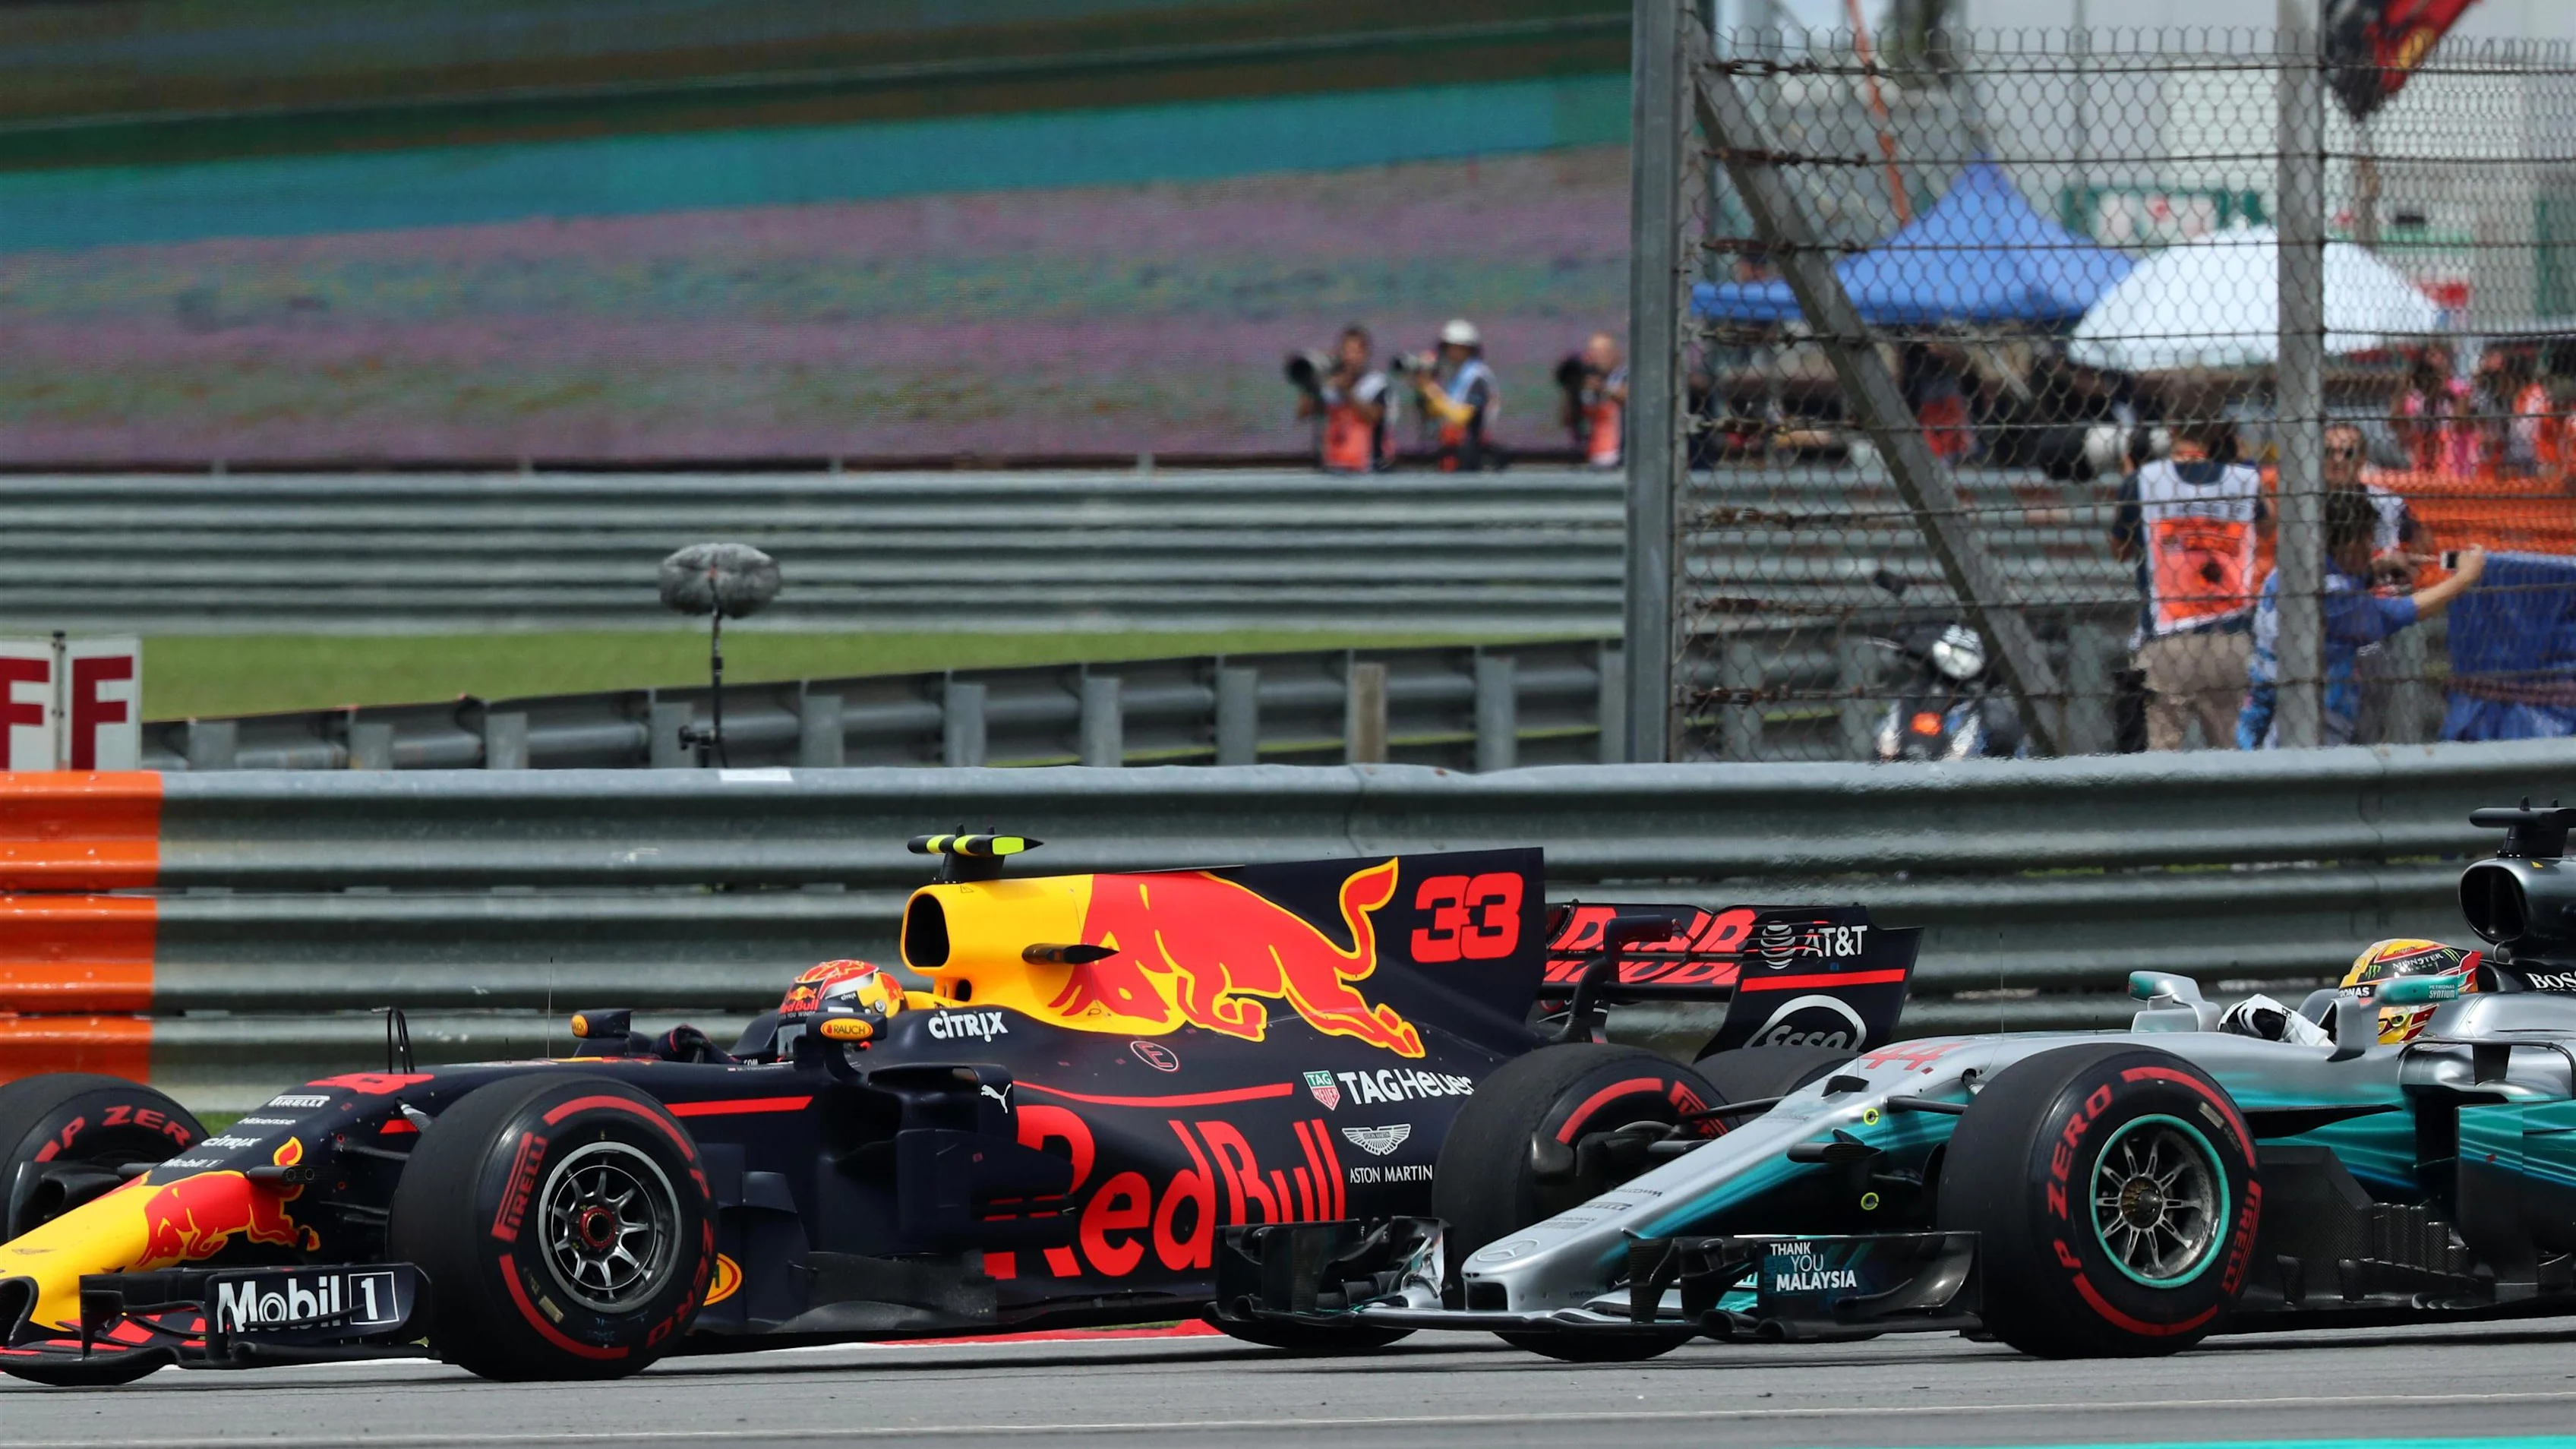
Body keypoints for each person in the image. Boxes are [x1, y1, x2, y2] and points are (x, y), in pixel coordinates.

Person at [2237, 491, 2486, 748]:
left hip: (2273, 706)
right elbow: (2396, 614)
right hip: (2304, 722)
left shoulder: (2292, 569)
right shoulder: (2335, 599)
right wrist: (2462, 580)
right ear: (2350, 545)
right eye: (2368, 541)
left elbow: (2338, 579)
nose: (2371, 550)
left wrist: (2377, 570)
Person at [2110, 412, 2267, 750]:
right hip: (2230, 633)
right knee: (2235, 757)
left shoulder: (2144, 480)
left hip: (2167, 636)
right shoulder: (2244, 480)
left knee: (2158, 758)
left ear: (2172, 429)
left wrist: (2130, 485)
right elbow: (2267, 528)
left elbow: (2120, 550)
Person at [1293, 325, 1393, 473]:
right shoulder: (1330, 387)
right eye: (1345, 351)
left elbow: (1373, 417)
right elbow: (1303, 413)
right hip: (1333, 466)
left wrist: (1347, 392)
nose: (1349, 357)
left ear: (1365, 354)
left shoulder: (1376, 383)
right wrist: (1311, 384)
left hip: (1367, 469)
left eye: (1354, 352)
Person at [1410, 318, 1501, 472]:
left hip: (1471, 455)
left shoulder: (1477, 377)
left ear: (1466, 348)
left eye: (1452, 347)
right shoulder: (1458, 377)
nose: (1447, 352)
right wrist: (1423, 390)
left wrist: (1431, 390)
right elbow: (1440, 412)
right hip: (1453, 453)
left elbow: (1462, 417)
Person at [2323, 421, 2419, 560]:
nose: (2338, 460)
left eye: (2349, 453)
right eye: (2329, 452)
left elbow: (2416, 548)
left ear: (2362, 458)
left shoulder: (2389, 503)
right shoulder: (2306, 504)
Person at [1557, 332, 1627, 469]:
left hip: (1620, 456)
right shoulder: (1587, 384)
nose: (1598, 357)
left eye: (1603, 352)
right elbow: (1567, 420)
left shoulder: (1624, 375)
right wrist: (1571, 390)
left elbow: (1629, 396)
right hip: (1593, 455)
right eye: (1594, 352)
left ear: (1615, 353)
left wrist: (1601, 388)